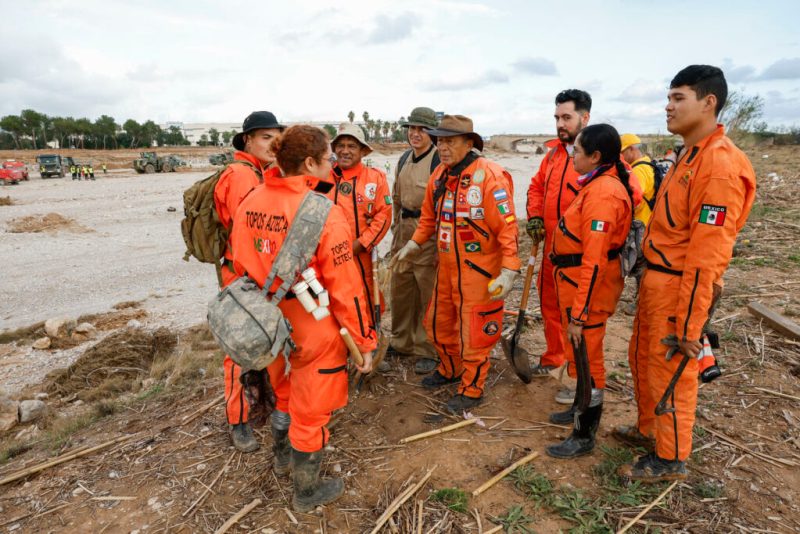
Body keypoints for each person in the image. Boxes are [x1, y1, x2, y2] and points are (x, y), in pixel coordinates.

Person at [617, 65, 756, 482]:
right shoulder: (688, 155)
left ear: (708, 102)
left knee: (671, 370)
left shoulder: (719, 166)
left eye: (678, 98)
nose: (668, 105)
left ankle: (671, 456)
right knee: (642, 358)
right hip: (656, 279)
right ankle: (649, 429)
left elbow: (707, 255)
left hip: (680, 285)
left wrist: (691, 323)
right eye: (669, 97)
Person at [229, 125, 375, 512]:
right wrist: (364, 341)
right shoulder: (323, 211)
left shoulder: (252, 199)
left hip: (266, 322)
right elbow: (347, 287)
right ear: (309, 162)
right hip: (313, 325)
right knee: (311, 411)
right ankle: (306, 492)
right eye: (328, 157)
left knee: (283, 392)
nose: (333, 163)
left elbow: (240, 262)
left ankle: (280, 458)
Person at [392, 115, 520, 413]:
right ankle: (450, 369)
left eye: (449, 141)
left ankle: (472, 389)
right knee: (438, 324)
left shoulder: (489, 176)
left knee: (475, 334)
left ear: (468, 143)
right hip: (447, 271)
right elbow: (428, 219)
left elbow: (507, 228)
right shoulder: (440, 176)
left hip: (480, 274)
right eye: (440, 141)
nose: (443, 147)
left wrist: (509, 270)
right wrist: (413, 245)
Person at [543, 124, 633, 458]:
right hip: (573, 285)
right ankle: (579, 406)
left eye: (577, 151)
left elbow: (594, 260)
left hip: (587, 292)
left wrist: (579, 313)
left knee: (589, 361)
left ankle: (584, 434)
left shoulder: (604, 194)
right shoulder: (595, 184)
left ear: (595, 156)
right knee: (577, 355)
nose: (572, 155)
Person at [215, 111, 285, 452]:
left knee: (262, 343)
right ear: (247, 140)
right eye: (266, 138)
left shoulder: (260, 172)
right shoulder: (241, 176)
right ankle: (238, 420)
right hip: (242, 276)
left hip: (255, 275)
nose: (273, 144)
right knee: (239, 351)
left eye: (276, 138)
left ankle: (261, 405)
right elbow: (248, 234)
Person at [526, 90, 592, 400]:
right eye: (557, 118)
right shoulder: (553, 154)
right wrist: (534, 216)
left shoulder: (597, 153)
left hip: (579, 255)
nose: (560, 124)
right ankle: (554, 356)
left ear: (585, 118)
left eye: (566, 117)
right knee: (549, 307)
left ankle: (577, 378)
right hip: (551, 248)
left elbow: (624, 194)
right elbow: (536, 187)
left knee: (576, 316)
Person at [389, 107, 440, 374]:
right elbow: (396, 200)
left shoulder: (438, 161)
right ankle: (401, 342)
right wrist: (396, 233)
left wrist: (439, 249)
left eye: (421, 129)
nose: (415, 134)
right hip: (403, 236)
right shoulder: (403, 159)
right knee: (401, 292)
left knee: (427, 295)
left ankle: (427, 348)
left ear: (432, 132)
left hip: (428, 238)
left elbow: (443, 208)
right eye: (412, 128)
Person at [328, 123, 392, 332]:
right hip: (328, 256)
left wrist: (361, 243)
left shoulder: (375, 178)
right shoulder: (323, 178)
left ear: (362, 151)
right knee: (333, 300)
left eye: (352, 146)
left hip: (361, 254)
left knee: (367, 298)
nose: (345, 151)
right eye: (341, 145)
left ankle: (371, 344)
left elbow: (384, 215)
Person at [620, 134, 655, 225]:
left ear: (631, 149)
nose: (620, 157)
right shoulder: (648, 164)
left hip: (640, 224)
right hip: (649, 220)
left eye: (622, 152)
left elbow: (635, 200)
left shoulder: (637, 171)